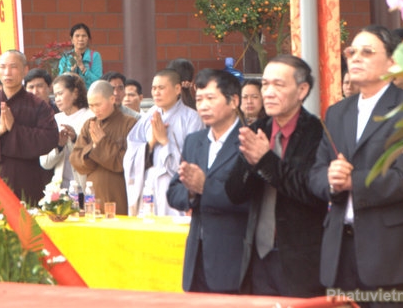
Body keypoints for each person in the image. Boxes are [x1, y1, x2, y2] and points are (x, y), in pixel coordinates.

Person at [309, 25, 403, 308]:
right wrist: (331, 179)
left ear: (392, 63)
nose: (355, 58)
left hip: (387, 253)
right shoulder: (337, 112)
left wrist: (353, 181)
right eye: (351, 51)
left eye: (367, 52)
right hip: (339, 250)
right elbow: (316, 172)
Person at [225, 54, 326, 297]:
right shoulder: (256, 130)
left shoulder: (317, 133)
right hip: (258, 258)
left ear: (302, 90)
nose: (268, 93)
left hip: (301, 261)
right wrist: (250, 163)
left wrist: (266, 161)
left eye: (278, 85)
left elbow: (312, 192)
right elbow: (234, 193)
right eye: (265, 85)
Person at [166, 69, 250, 294]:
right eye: (199, 99)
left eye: (211, 98)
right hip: (197, 257)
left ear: (234, 101)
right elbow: (174, 191)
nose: (203, 106)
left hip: (234, 258)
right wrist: (191, 192)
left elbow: (250, 198)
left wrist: (204, 187)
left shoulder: (248, 140)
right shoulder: (195, 141)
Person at [0, 49, 59, 205]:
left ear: (25, 70)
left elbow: (50, 139)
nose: (7, 72)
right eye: (3, 67)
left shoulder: (38, 105)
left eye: (13, 67)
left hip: (28, 181)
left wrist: (15, 129)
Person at [123, 68, 203, 216]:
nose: (156, 93)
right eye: (153, 88)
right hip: (150, 186)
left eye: (161, 88)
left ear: (177, 89)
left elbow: (194, 161)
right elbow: (130, 156)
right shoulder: (149, 117)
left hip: (175, 188)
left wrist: (165, 142)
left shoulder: (192, 118)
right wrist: (151, 142)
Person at [70, 79, 137, 214]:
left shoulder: (129, 124)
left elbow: (127, 162)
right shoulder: (89, 125)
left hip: (119, 195)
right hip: (93, 196)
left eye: (98, 105)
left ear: (112, 99)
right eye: (91, 105)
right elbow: (75, 160)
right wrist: (94, 147)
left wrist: (102, 143)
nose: (95, 110)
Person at [40, 73, 92, 189]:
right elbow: (45, 163)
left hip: (86, 188)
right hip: (60, 190)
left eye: (60, 94)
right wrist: (59, 146)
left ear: (75, 93)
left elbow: (94, 156)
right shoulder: (55, 119)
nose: (57, 99)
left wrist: (75, 139)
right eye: (55, 95)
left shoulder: (90, 117)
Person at [58, 22, 103, 88]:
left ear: (88, 39)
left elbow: (98, 81)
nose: (80, 39)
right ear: (72, 39)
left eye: (84, 36)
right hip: (69, 93)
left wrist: (82, 67)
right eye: (77, 36)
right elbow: (60, 81)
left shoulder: (95, 56)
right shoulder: (65, 57)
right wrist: (71, 69)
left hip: (89, 93)